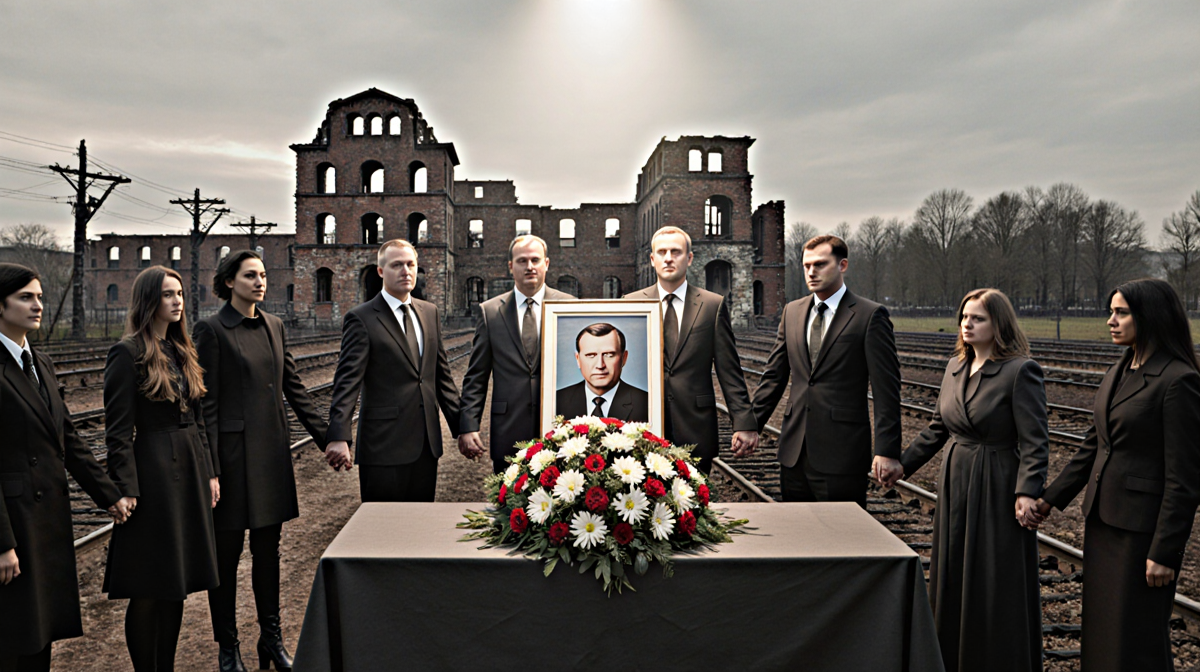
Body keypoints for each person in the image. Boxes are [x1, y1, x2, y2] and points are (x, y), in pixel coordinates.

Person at [1033, 278, 1200, 671]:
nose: (1110, 321)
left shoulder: (1178, 380)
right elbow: (1094, 447)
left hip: (1141, 534)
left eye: (1121, 313)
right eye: (1111, 311)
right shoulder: (1120, 369)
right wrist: (1049, 499)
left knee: (1136, 638)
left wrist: (1164, 552)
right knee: (1103, 630)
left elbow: (1184, 479)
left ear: (1149, 316)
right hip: (1104, 523)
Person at [885, 288, 1048, 672]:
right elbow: (937, 428)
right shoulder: (955, 366)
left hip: (997, 481)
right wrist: (902, 465)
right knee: (954, 568)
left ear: (999, 324)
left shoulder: (1020, 371)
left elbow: (1035, 441)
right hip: (956, 479)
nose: (967, 324)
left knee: (994, 574)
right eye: (964, 317)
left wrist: (1027, 491)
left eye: (978, 318)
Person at [194, 250, 329, 672]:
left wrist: (328, 438)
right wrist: (211, 469)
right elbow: (205, 406)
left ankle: (271, 639)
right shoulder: (211, 329)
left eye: (263, 275)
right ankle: (228, 647)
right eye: (250, 275)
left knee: (268, 553)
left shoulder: (274, 325)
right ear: (229, 282)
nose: (260, 282)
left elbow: (293, 387)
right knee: (227, 556)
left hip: (270, 456)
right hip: (232, 462)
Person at [0, 263, 133, 672]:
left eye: (40, 297)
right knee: (12, 637)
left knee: (40, 633)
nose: (37, 305)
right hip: (14, 521)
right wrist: (1, 543)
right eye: (26, 297)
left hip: (44, 519)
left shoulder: (40, 362)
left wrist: (109, 495)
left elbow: (68, 440)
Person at [103, 265, 220, 671]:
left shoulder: (182, 348)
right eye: (168, 294)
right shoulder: (127, 352)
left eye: (180, 294)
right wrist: (126, 487)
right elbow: (118, 431)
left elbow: (199, 419)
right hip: (153, 473)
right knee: (149, 586)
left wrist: (209, 472)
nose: (177, 301)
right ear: (149, 300)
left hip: (189, 469)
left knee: (177, 583)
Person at [750, 234, 902, 506]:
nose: (811, 272)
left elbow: (886, 390)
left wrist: (887, 450)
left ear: (842, 265)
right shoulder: (792, 312)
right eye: (806, 265)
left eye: (820, 264)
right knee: (797, 529)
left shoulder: (869, 316)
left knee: (841, 531)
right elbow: (774, 376)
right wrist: (751, 425)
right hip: (794, 454)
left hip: (842, 454)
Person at [325, 239, 461, 502]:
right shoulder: (361, 318)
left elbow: (441, 377)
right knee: (382, 524)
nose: (405, 271)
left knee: (420, 521)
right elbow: (347, 382)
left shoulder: (429, 312)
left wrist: (463, 428)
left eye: (411, 265)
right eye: (397, 265)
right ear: (380, 271)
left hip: (426, 446)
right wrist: (339, 435)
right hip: (383, 446)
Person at [624, 226, 757, 474]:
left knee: (694, 497)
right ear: (652, 259)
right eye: (662, 252)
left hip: (695, 426)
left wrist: (744, 423)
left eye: (676, 252)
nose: (668, 258)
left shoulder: (711, 305)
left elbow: (729, 370)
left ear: (689, 258)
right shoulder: (631, 303)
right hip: (641, 425)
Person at [458, 235, 575, 472]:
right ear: (511, 266)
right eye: (522, 261)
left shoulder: (570, 306)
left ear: (546, 264)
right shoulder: (490, 312)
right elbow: (476, 376)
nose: (529, 266)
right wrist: (468, 426)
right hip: (508, 430)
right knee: (507, 495)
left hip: (559, 429)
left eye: (535, 260)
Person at [555, 323, 649, 422]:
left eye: (609, 355)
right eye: (591, 355)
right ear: (578, 359)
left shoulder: (647, 404)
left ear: (624, 358)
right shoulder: (556, 402)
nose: (600, 365)